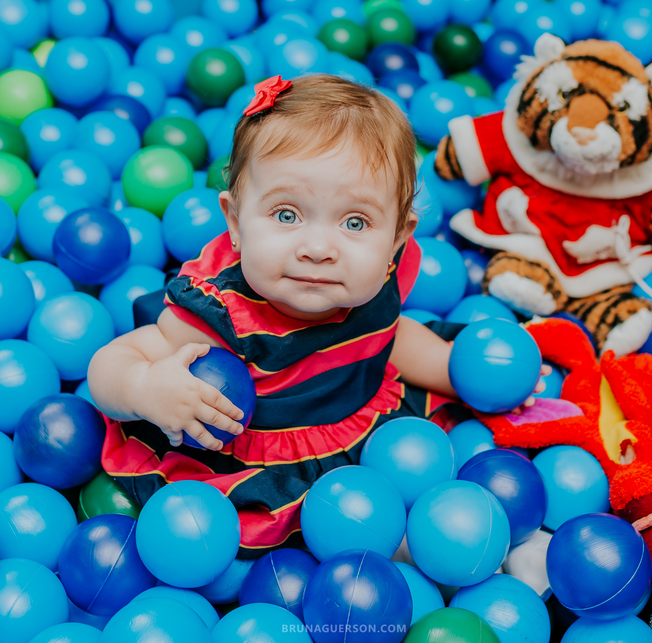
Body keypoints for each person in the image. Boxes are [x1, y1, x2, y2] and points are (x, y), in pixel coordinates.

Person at [88, 73, 500, 553]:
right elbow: (111, 363)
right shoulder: (220, 316)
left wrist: (457, 370)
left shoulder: (377, 280)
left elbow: (390, 339)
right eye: (287, 215)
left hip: (370, 430)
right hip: (260, 458)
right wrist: (144, 387)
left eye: (355, 222)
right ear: (236, 222)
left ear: (397, 238)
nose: (319, 248)